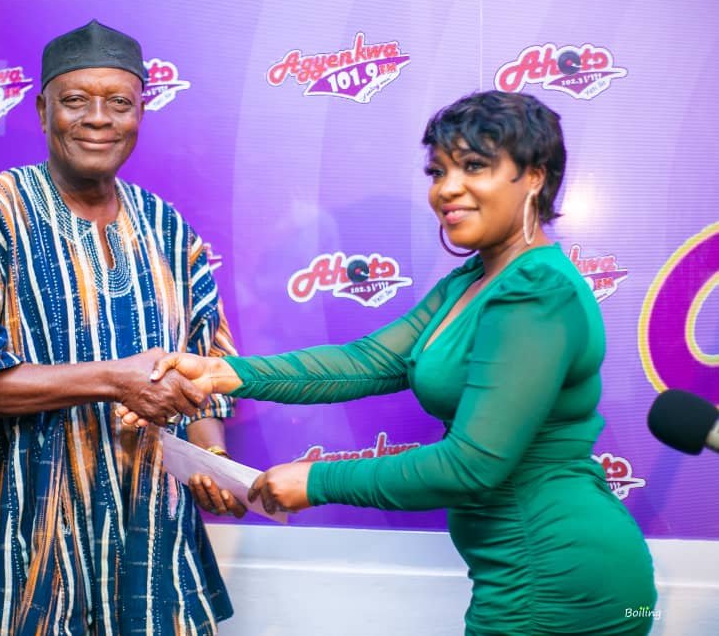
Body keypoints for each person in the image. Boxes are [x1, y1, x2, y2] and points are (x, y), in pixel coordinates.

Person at [135, 91, 658, 635]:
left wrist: (317, 480)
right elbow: (367, 362)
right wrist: (224, 373)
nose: (446, 188)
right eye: (438, 170)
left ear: (534, 177)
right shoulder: (475, 280)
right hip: (525, 572)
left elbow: (470, 465)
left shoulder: (536, 290)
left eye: (473, 166)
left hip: (557, 578)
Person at [0, 20, 242, 635]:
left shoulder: (168, 228)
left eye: (119, 102)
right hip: (19, 523)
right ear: (44, 111)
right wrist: (114, 380)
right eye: (75, 100)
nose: (98, 119)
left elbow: (206, 369)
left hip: (145, 523)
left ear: (140, 114)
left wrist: (211, 457)